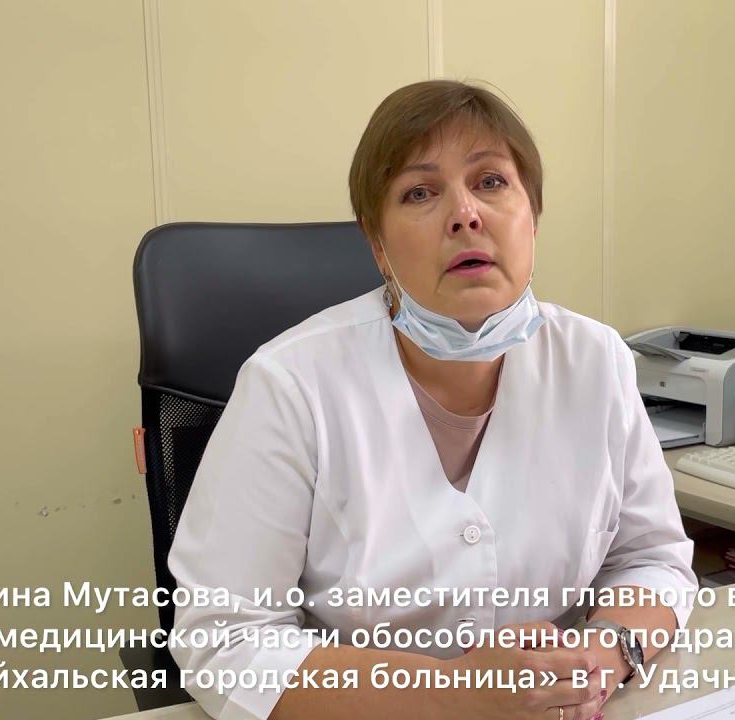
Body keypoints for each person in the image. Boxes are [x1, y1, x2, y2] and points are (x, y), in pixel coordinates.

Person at [168, 79, 696, 720]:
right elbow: (225, 641)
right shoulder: (290, 384)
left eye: (491, 182)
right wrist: (458, 694)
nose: (465, 214)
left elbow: (652, 558)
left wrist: (602, 655)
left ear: (532, 217)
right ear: (378, 245)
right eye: (420, 193)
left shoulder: (596, 359)